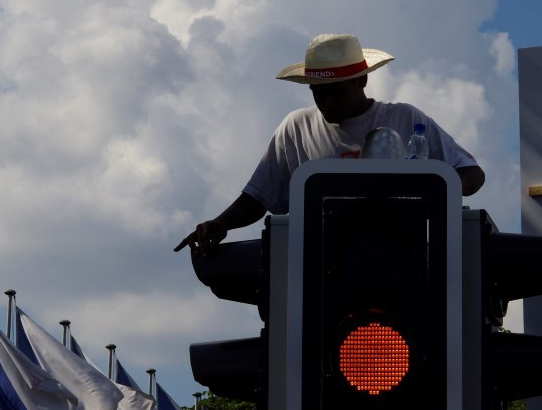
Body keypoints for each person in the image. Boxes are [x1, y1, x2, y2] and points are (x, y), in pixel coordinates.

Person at [175, 33, 485, 257]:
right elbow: (259, 196)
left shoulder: (403, 118)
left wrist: (424, 186)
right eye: (318, 92)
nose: (326, 100)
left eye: (335, 91)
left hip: (401, 254)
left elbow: (471, 175)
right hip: (319, 260)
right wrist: (220, 223)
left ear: (362, 81)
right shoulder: (296, 128)